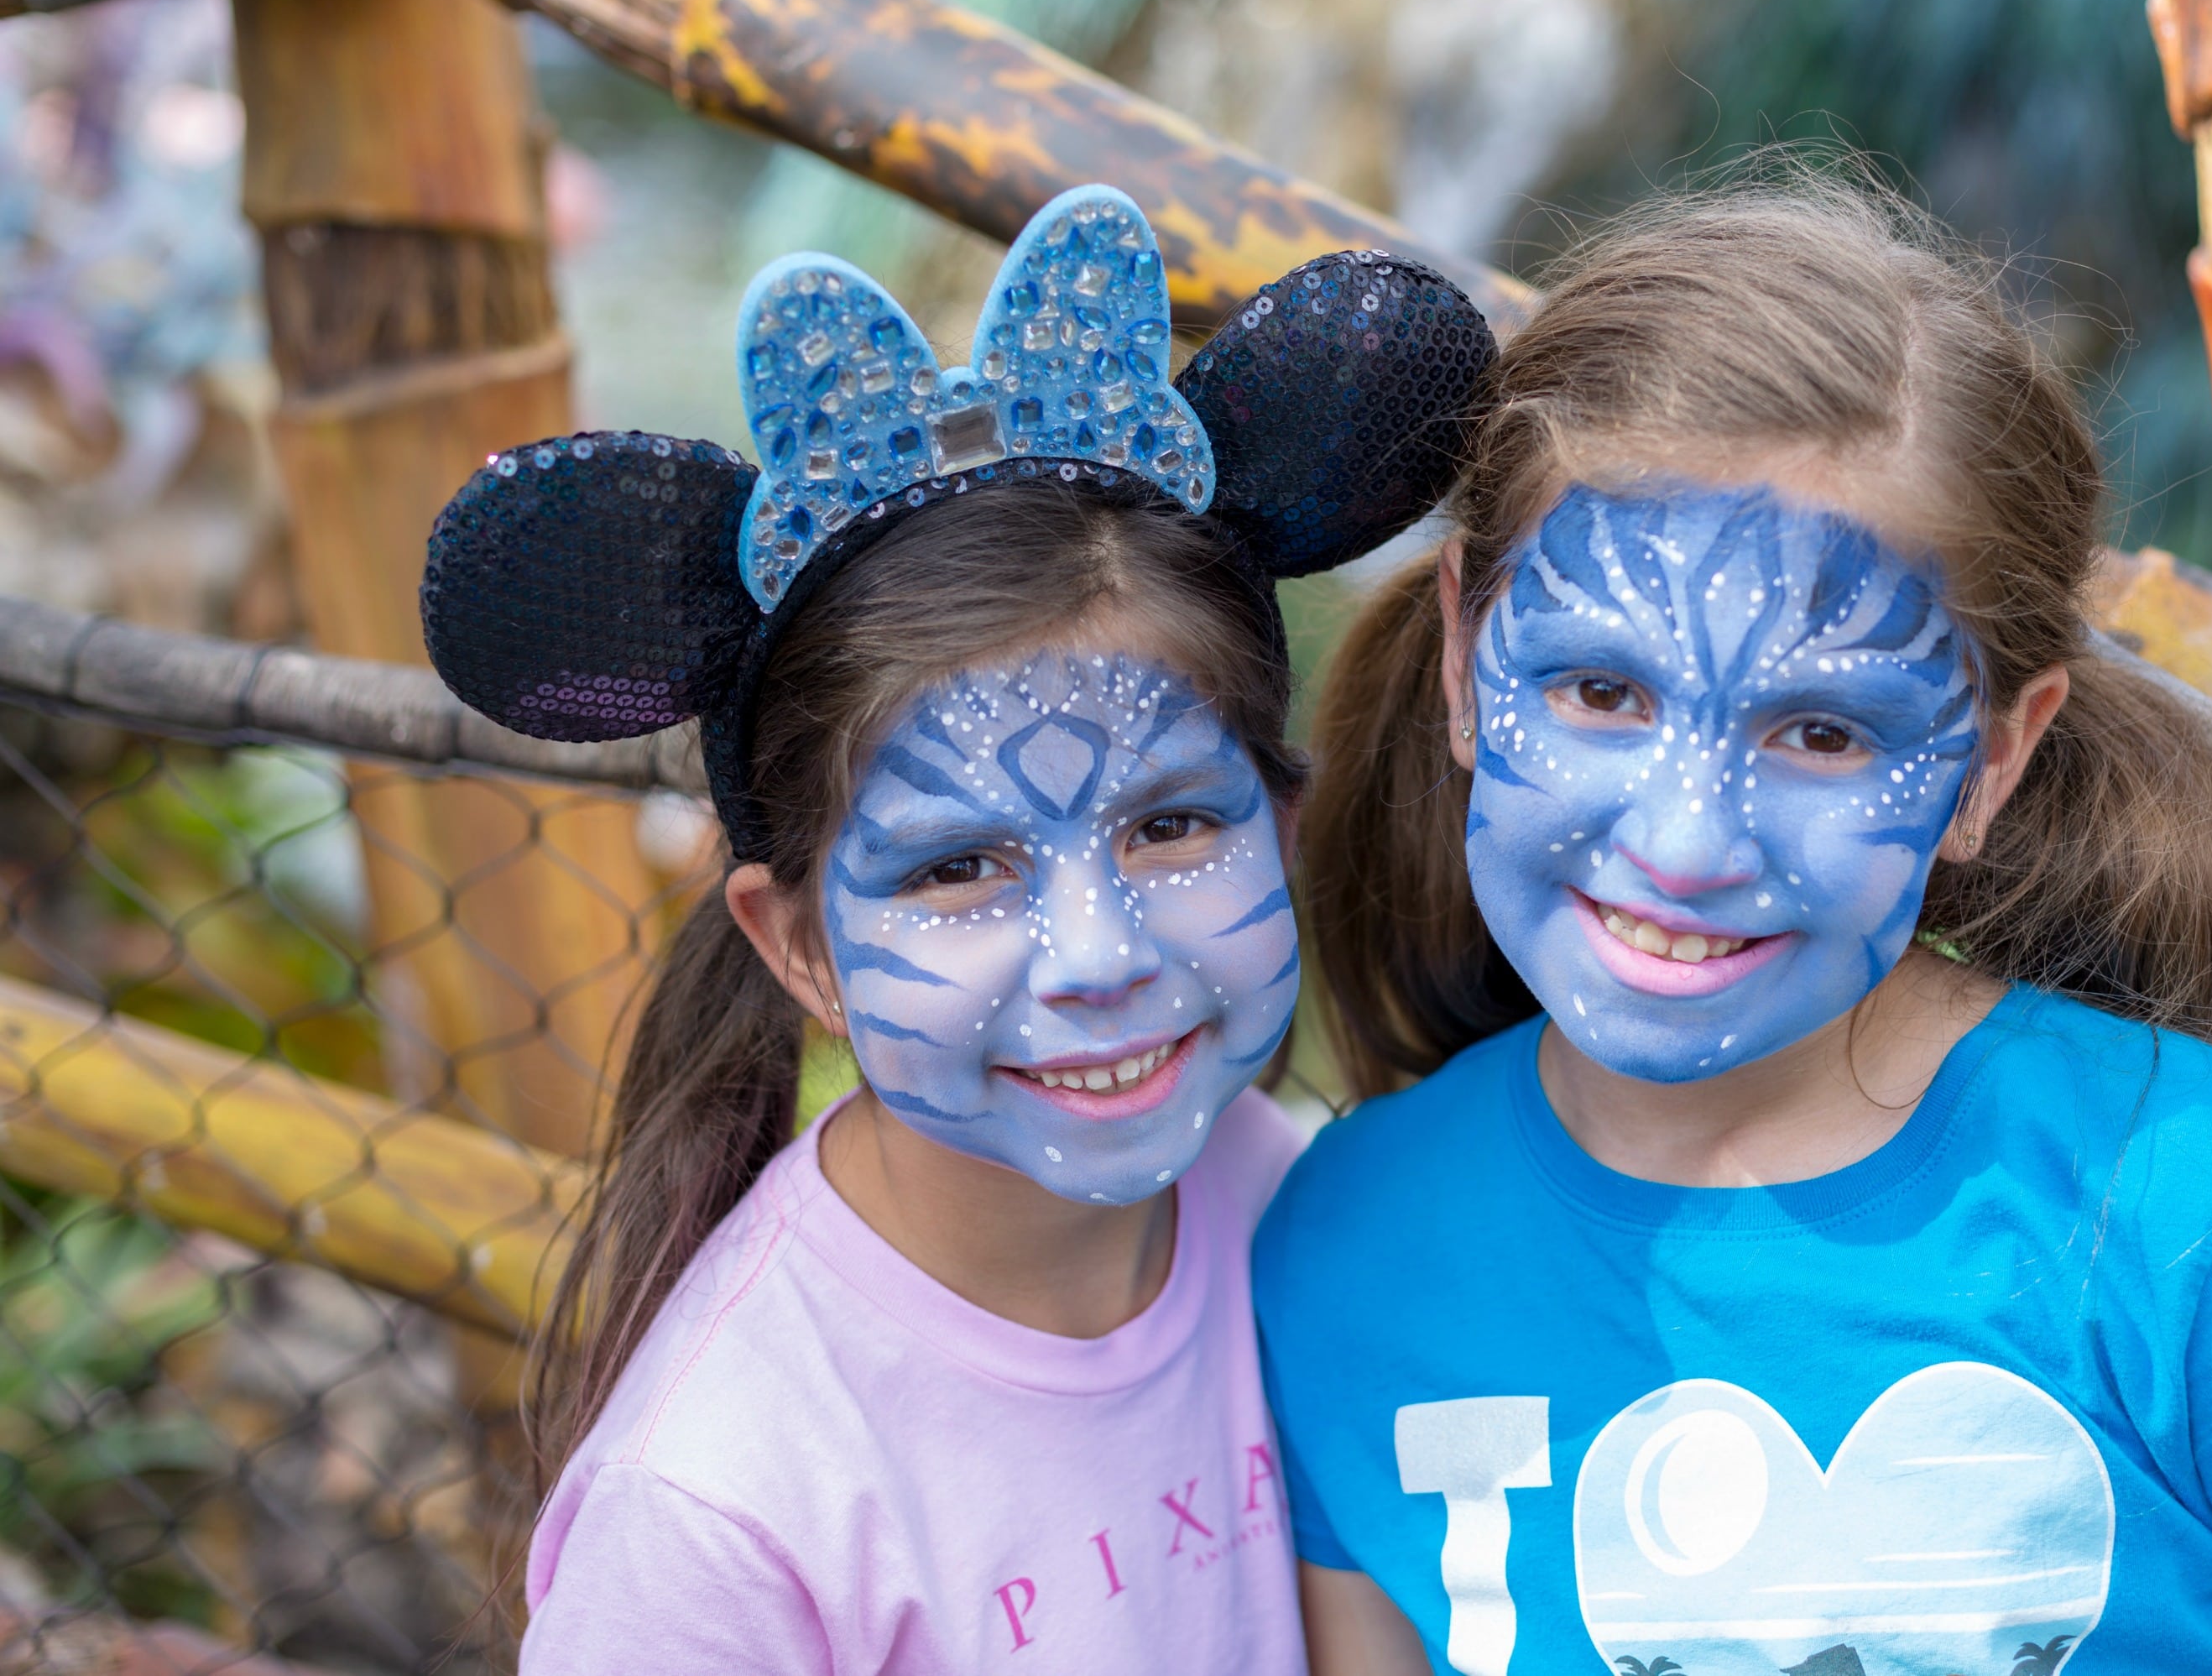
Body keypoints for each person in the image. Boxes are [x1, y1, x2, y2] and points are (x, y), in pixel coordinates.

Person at [1257, 170, 2212, 1676]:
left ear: (1991, 761)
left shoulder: (2192, 1205)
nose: (1686, 844)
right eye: (1598, 693)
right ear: (1461, 657)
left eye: (1820, 733)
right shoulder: (1339, 1248)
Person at [414, 185, 1495, 1672]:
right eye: (956, 870)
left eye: (1172, 826)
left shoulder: (1283, 1203)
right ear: (797, 948)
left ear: (1282, 827)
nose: (1099, 955)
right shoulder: (713, 1524)